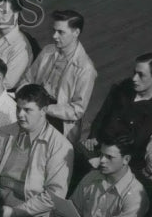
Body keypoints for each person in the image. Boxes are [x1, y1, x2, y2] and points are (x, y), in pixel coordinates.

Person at [0, 83, 74, 217]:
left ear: (43, 110)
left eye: (28, 110)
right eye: (18, 108)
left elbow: (53, 196)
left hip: (29, 212)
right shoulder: (4, 132)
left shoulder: (61, 146)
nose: (20, 115)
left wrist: (14, 212)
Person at [17, 9, 98, 142]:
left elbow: (77, 110)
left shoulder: (86, 69)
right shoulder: (48, 50)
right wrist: (23, 98)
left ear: (76, 32)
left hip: (58, 119)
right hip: (34, 103)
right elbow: (27, 79)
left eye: (60, 32)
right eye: (54, 30)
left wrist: (44, 109)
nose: (54, 36)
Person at [85, 52, 152, 174]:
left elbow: (134, 144)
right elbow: (103, 113)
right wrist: (93, 135)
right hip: (97, 146)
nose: (134, 78)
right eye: (134, 73)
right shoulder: (125, 87)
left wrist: (101, 157)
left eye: (141, 75)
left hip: (118, 162)